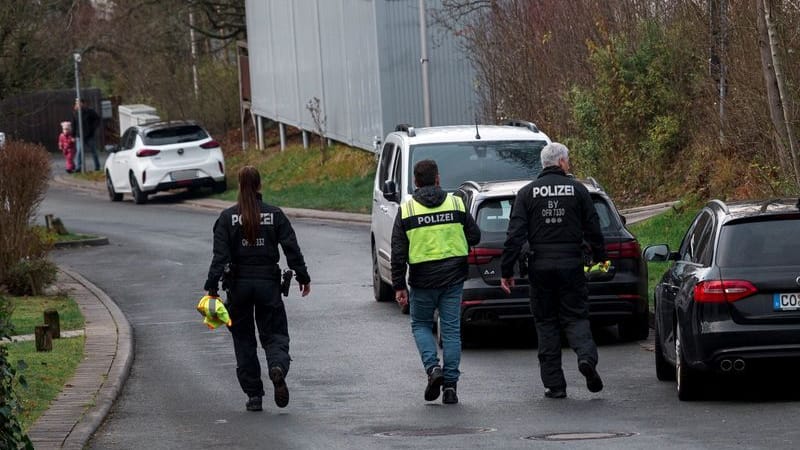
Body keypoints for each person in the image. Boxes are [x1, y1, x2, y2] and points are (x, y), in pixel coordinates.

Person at [500, 142, 608, 399]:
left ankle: (554, 384)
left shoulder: (527, 193)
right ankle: (586, 359)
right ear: (561, 162)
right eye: (567, 161)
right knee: (576, 317)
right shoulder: (578, 190)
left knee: (546, 323)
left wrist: (507, 270)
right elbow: (593, 228)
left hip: (540, 268)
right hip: (572, 265)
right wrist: (601, 257)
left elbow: (514, 235)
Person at [204, 165, 311, 412]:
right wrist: (303, 276)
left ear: (240, 187)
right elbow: (291, 248)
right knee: (274, 334)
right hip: (268, 285)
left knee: (244, 341)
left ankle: (254, 395)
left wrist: (212, 288)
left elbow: (219, 257)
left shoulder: (226, 218)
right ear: (259, 185)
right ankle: (277, 367)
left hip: (238, 287)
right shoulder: (275, 215)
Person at [391, 159, 481, 404]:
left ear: (415, 182)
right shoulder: (456, 203)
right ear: (438, 178)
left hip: (422, 281)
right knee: (451, 331)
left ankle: (433, 369)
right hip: (453, 278)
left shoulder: (407, 210)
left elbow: (398, 252)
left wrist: (399, 285)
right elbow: (475, 235)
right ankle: (450, 387)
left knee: (420, 325)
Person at [71, 98, 101, 171]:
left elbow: (97, 119)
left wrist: (92, 128)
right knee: (79, 152)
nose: (77, 104)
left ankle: (97, 167)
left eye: (78, 102)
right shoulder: (75, 112)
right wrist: (73, 135)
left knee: (93, 151)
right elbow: (74, 124)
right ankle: (78, 167)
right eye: (76, 102)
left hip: (89, 135)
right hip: (79, 136)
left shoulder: (89, 111)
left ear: (82, 103)